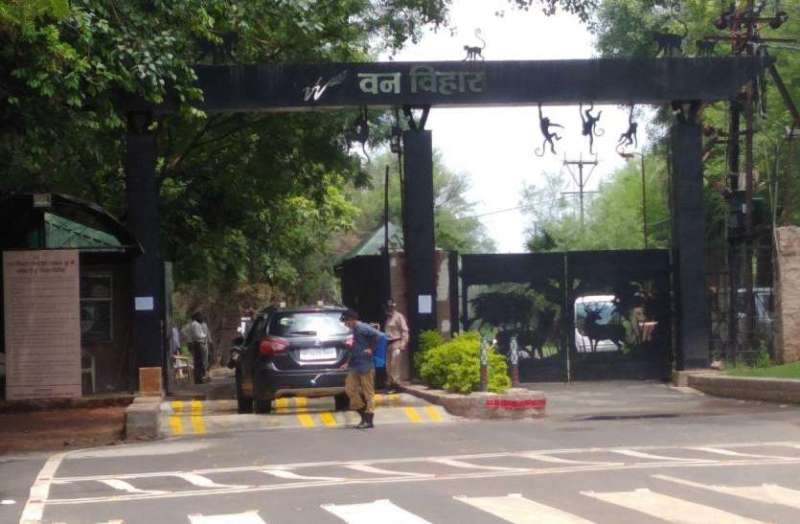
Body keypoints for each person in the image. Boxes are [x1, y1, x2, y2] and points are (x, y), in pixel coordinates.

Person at [340, 309, 383, 429]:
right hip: (354, 365)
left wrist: (371, 349)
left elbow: (378, 335)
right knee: (350, 389)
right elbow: (352, 348)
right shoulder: (352, 331)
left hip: (366, 365)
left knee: (368, 393)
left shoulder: (362, 327)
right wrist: (346, 363)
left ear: (352, 319)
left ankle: (369, 420)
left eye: (346, 321)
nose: (345, 324)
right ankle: (363, 414)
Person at [383, 299, 409, 391]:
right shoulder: (388, 318)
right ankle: (390, 384)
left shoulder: (399, 316)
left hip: (397, 343)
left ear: (394, 307)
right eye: (388, 307)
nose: (389, 308)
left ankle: (396, 384)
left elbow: (405, 331)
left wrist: (403, 343)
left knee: (395, 365)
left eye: (391, 307)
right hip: (388, 344)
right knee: (388, 366)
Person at [186, 312, 208, 384]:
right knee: (200, 362)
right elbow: (197, 335)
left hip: (196, 344)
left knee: (197, 362)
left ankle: (198, 378)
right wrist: (204, 336)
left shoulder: (192, 324)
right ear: (197, 317)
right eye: (200, 316)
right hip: (198, 343)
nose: (202, 318)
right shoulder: (196, 324)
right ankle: (199, 378)